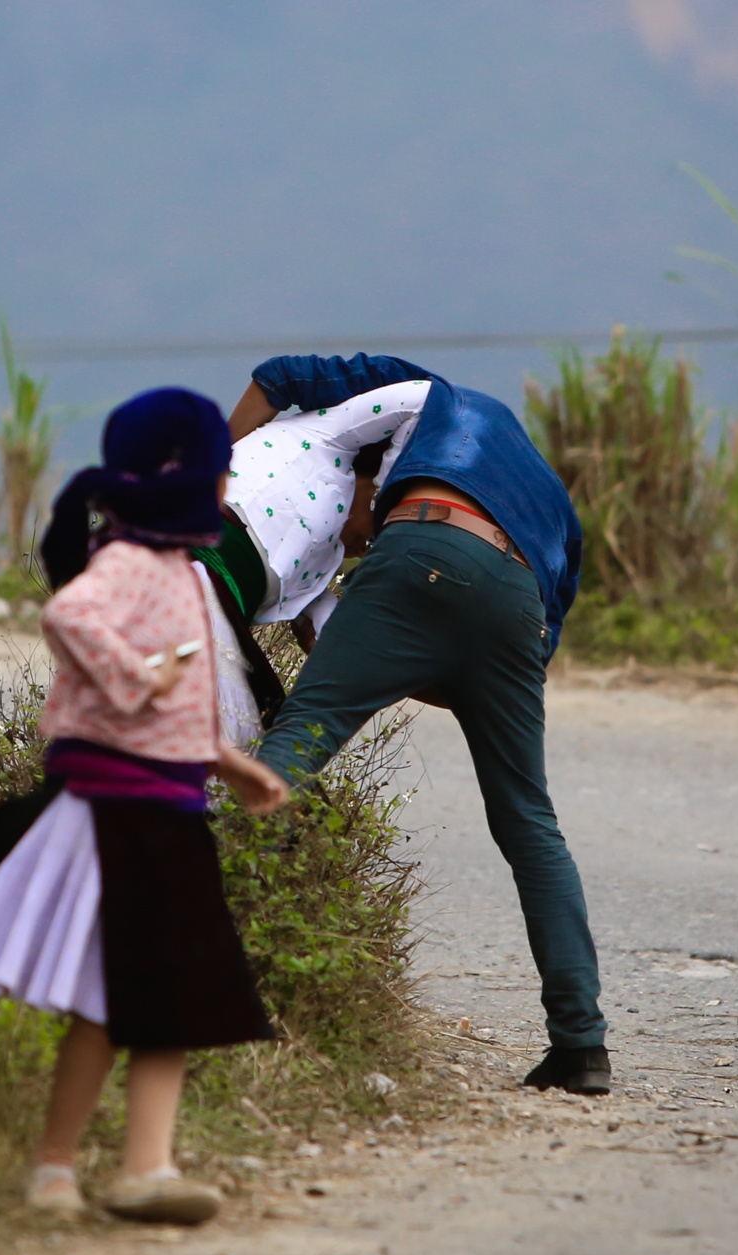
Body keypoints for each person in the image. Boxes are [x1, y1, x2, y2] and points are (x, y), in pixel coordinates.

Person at [0, 388, 289, 1226]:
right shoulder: (133, 564)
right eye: (220, 473)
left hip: (171, 807)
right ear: (187, 479)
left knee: (147, 1002)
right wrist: (136, 677)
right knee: (132, 1000)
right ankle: (72, 1168)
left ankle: (122, 1168)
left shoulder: (178, 570)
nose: (226, 491)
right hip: (122, 814)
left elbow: (180, 703)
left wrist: (229, 764)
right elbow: (68, 613)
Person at [227, 353, 612, 1096]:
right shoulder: (555, 505)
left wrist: (212, 472)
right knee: (530, 822)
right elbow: (524, 651)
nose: (349, 541)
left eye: (350, 530)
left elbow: (282, 373)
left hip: (425, 549)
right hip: (520, 606)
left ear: (371, 474)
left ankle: (221, 951)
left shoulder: (427, 394)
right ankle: (581, 1044)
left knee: (293, 747)